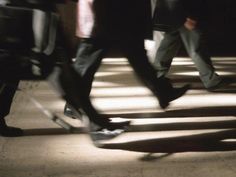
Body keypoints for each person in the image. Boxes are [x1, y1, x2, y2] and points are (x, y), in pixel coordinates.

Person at [0, 0, 131, 141]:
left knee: (11, 72)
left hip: (19, 16)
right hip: (29, 17)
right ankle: (97, 126)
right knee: (62, 74)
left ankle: (97, 125)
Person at [64, 0, 190, 120]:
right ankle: (74, 103)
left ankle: (163, 92)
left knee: (138, 58)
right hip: (104, 14)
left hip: (121, 15)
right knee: (88, 60)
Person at [152, 0, 231, 91]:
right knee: (195, 46)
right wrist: (188, 16)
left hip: (173, 12)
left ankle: (156, 77)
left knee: (168, 46)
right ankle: (210, 80)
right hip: (182, 13)